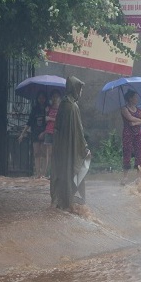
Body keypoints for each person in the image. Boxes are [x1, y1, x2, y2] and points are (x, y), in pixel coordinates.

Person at [51, 77, 89, 209]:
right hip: (71, 148)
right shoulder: (73, 107)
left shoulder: (62, 104)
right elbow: (78, 131)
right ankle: (68, 203)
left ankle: (59, 201)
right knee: (73, 170)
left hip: (61, 147)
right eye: (80, 88)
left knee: (62, 172)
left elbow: (57, 128)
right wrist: (84, 148)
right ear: (75, 89)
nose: (81, 92)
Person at [18, 91, 47, 179]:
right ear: (37, 99)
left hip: (45, 133)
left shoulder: (48, 109)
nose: (41, 100)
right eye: (39, 98)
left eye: (43, 98)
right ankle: (38, 173)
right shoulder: (34, 109)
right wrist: (22, 134)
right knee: (36, 153)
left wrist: (44, 132)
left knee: (44, 154)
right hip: (35, 133)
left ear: (45, 99)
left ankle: (43, 173)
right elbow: (29, 122)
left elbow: (50, 124)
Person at [121, 90, 141, 181]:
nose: (137, 99)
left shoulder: (139, 109)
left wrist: (136, 123)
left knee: (139, 154)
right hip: (128, 134)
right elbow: (130, 118)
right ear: (130, 98)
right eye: (135, 97)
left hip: (138, 134)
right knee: (127, 153)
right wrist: (140, 120)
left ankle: (138, 177)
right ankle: (125, 177)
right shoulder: (124, 109)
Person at [43, 89, 61, 179]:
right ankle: (46, 172)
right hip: (48, 131)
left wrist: (51, 118)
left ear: (59, 98)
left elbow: (60, 120)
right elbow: (45, 119)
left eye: (56, 97)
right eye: (53, 97)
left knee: (55, 153)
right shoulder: (48, 108)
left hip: (56, 133)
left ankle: (54, 172)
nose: (55, 98)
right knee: (48, 154)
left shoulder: (61, 109)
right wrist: (48, 115)